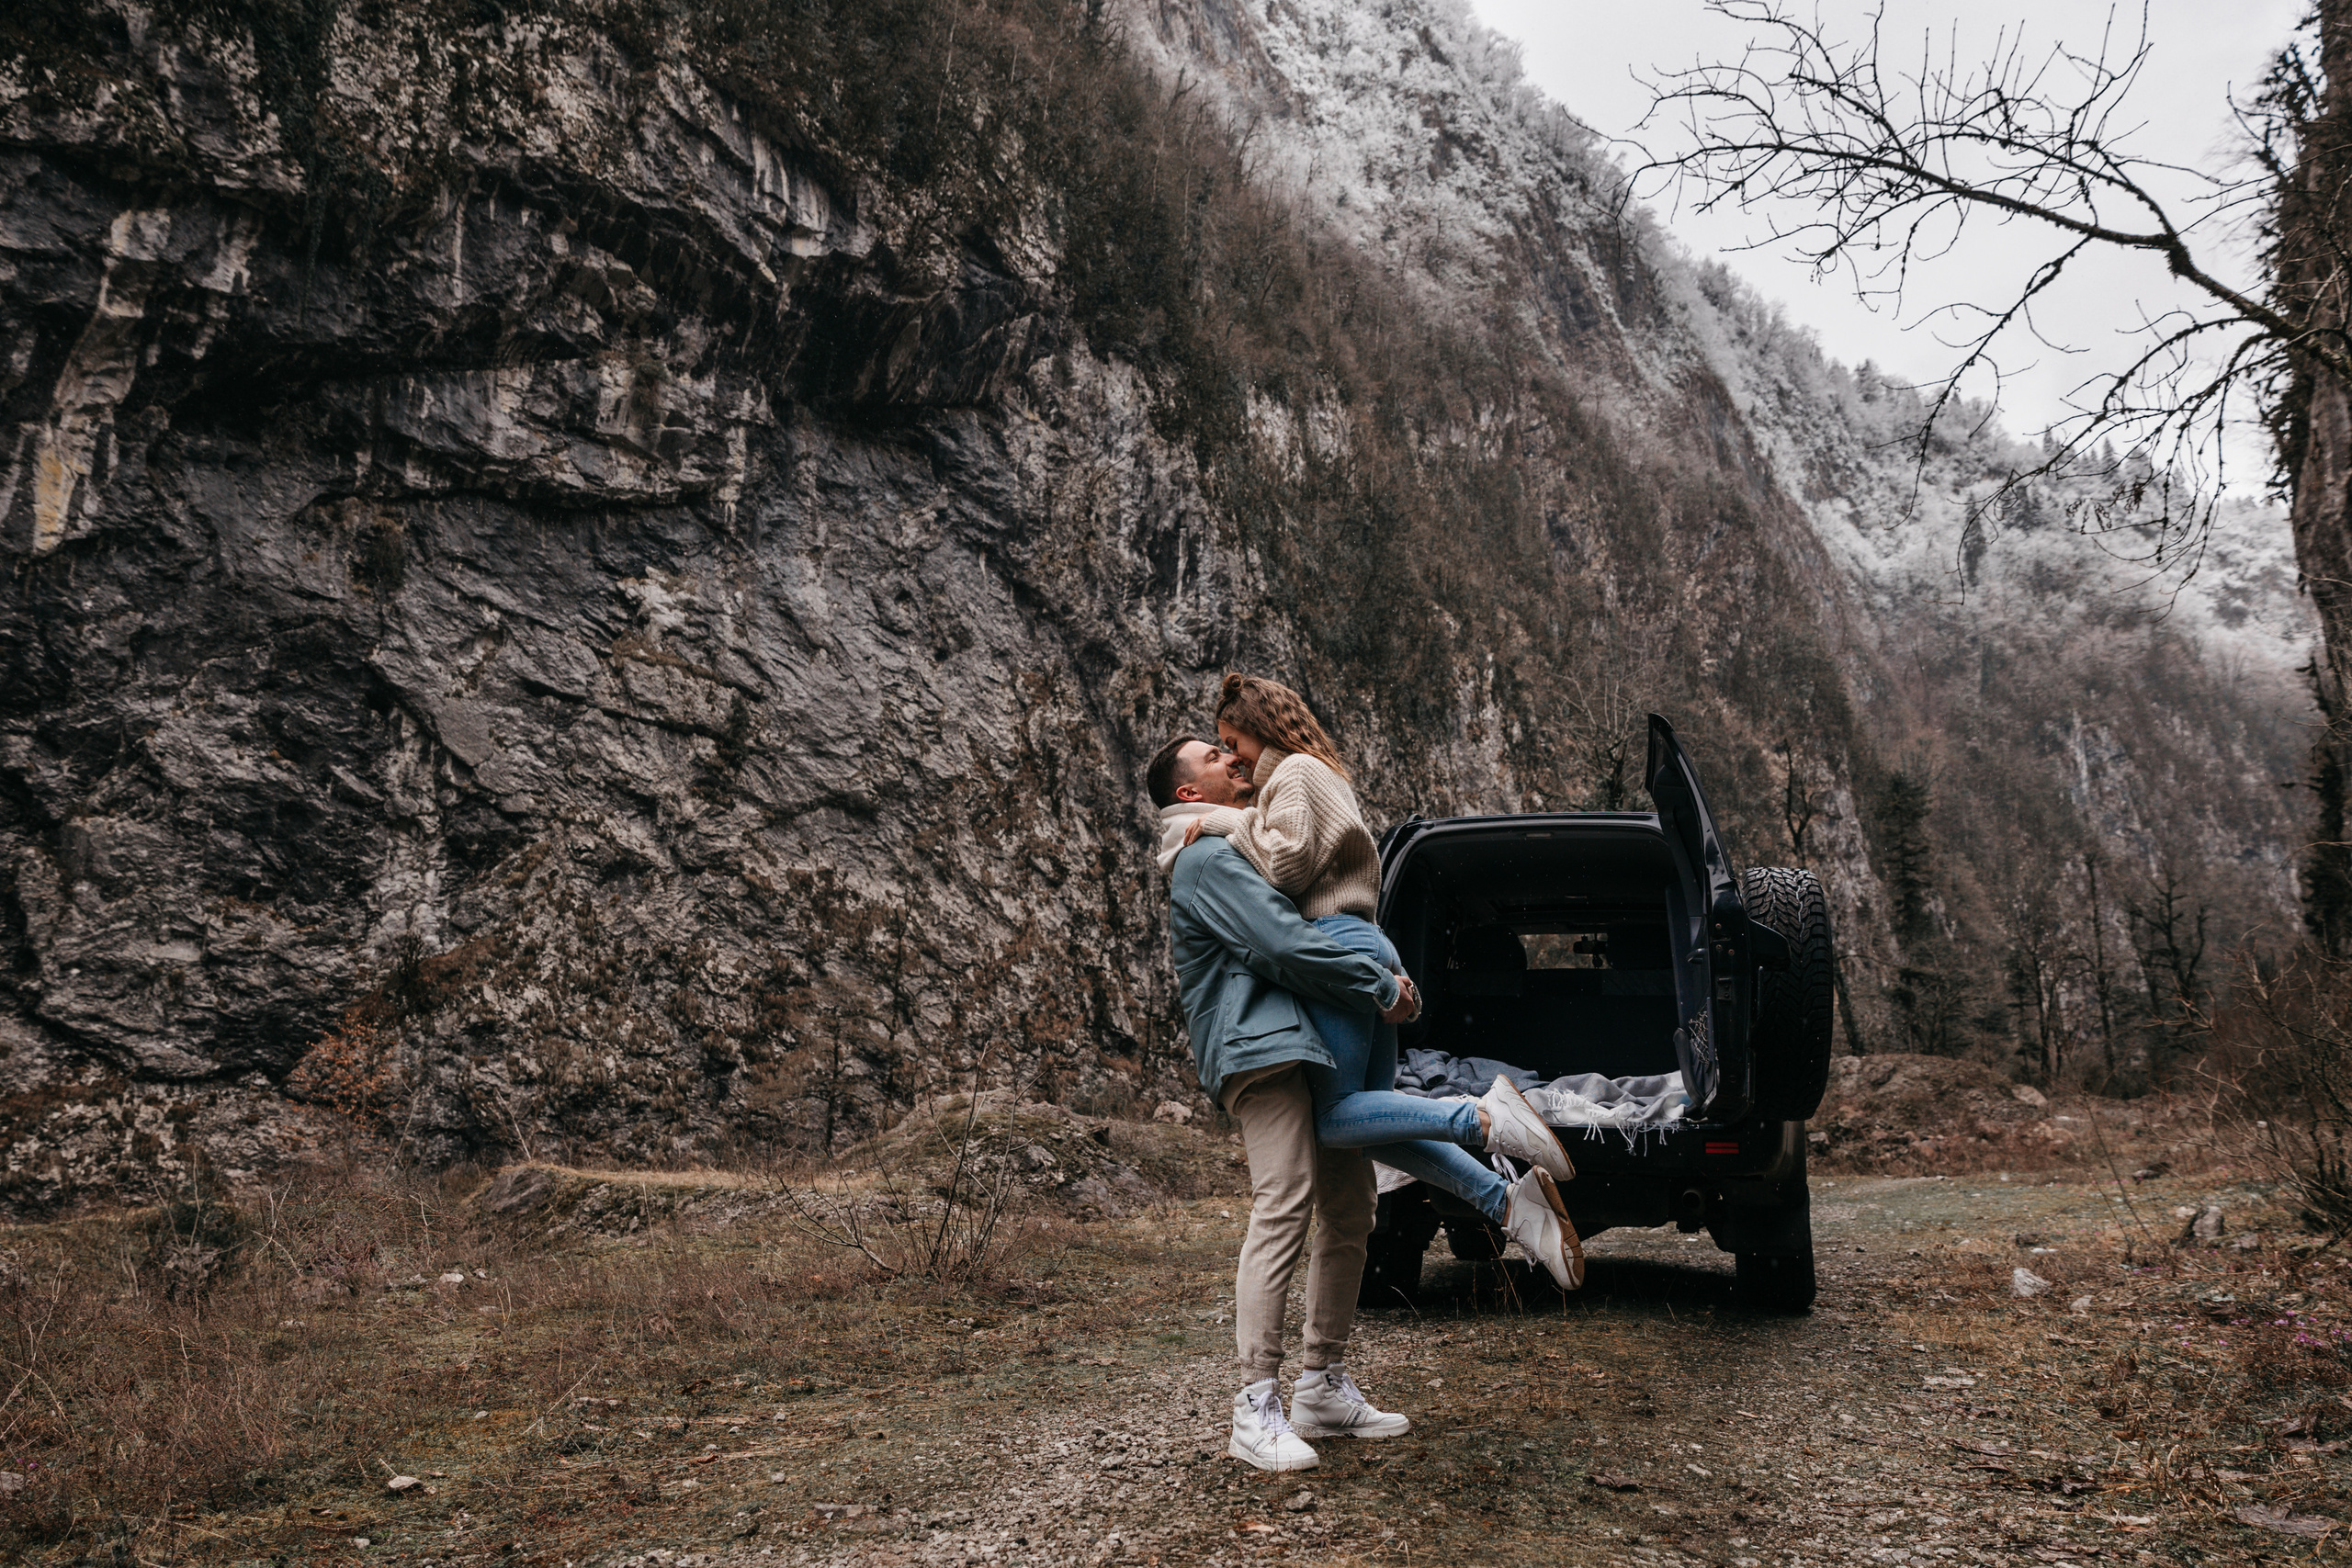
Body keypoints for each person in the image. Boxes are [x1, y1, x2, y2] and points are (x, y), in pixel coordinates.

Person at [1147, 732, 1576, 1474]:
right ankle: (1254, 1406)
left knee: (1352, 1213)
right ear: (1188, 792)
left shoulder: (1226, 842)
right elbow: (1282, 944)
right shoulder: (1203, 857)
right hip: (1258, 1051)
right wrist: (1379, 985)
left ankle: (1320, 1384)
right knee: (1284, 1202)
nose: (1231, 760)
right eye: (1214, 758)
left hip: (1297, 1041)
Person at [1172, 674, 1584, 1290]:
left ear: (1262, 728)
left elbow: (1286, 864)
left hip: (1339, 942)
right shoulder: (1308, 772)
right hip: (1363, 939)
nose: (1233, 757)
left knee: (1333, 1118)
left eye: (1235, 742)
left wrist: (1224, 825)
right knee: (1370, 1123)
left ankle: (1482, 1118)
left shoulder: (1294, 775)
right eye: (1222, 748)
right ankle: (1505, 1201)